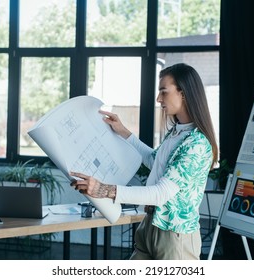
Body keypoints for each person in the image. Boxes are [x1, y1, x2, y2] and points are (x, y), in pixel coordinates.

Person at [70, 63, 218, 260]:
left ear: (183, 93)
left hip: (175, 237)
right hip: (150, 226)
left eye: (163, 92)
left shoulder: (197, 144)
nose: (158, 99)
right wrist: (124, 132)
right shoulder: (177, 132)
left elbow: (160, 194)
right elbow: (154, 161)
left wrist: (104, 190)